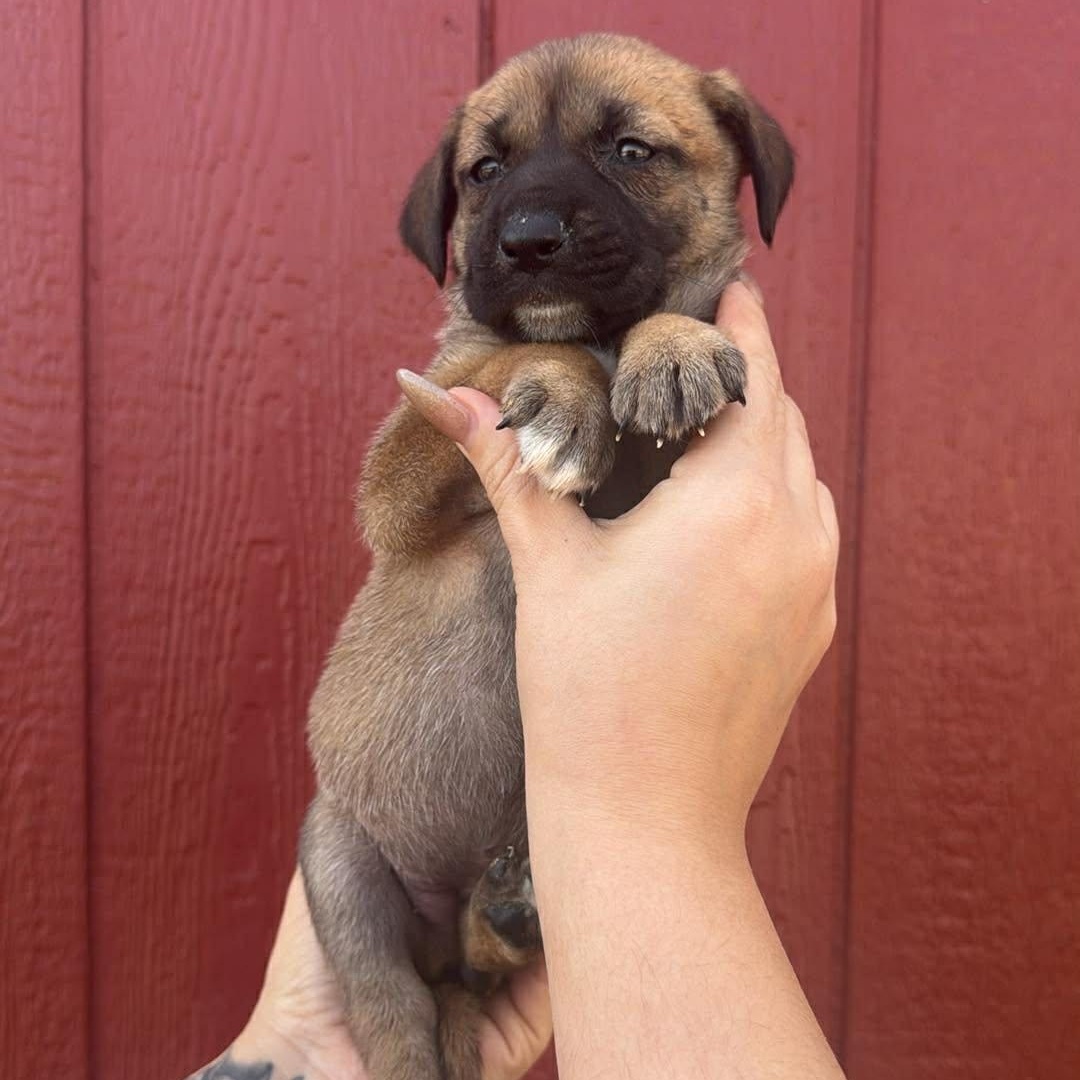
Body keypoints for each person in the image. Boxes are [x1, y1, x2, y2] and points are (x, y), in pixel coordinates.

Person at [189, 280, 845, 1080]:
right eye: (488, 172)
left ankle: (480, 949)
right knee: (338, 861)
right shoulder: (480, 359)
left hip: (560, 853)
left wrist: (666, 337)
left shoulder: (686, 360)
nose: (536, 221)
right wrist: (534, 371)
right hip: (383, 849)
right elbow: (389, 511)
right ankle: (389, 1037)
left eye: (632, 149)